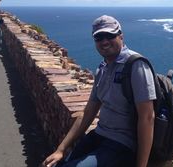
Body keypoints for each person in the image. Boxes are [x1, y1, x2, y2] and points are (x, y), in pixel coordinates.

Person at [42, 15, 156, 167]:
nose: (104, 41)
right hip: (99, 135)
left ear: (121, 36)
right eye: (99, 37)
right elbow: (88, 112)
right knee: (56, 164)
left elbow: (147, 118)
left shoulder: (136, 65)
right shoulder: (102, 69)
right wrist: (60, 149)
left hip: (122, 144)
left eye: (110, 35)